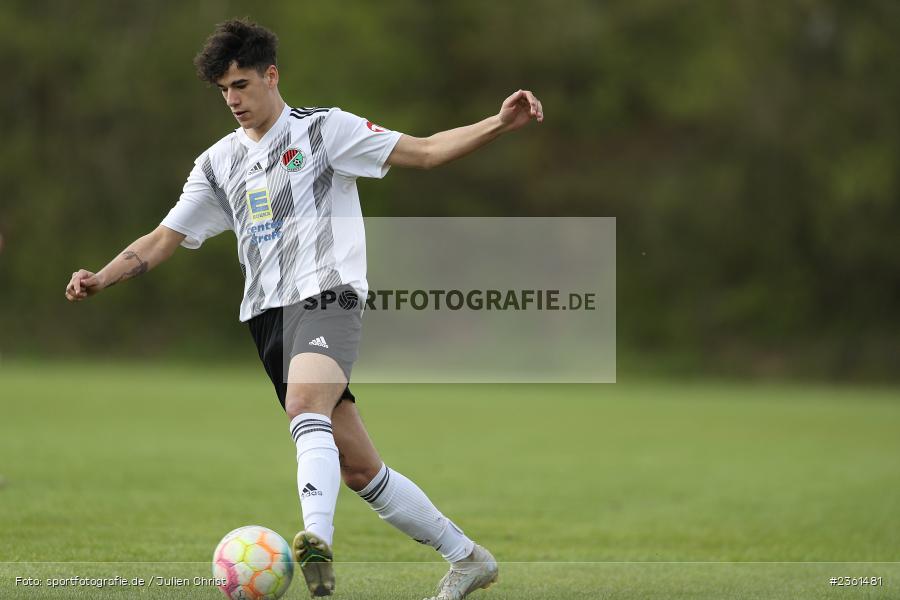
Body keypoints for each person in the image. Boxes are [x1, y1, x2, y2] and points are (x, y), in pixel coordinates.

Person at [65, 18, 543, 600]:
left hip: (328, 296)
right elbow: (164, 238)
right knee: (360, 470)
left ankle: (315, 541)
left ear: (272, 76)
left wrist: (499, 123)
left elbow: (423, 152)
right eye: (223, 91)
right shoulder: (217, 164)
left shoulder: (326, 131)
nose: (233, 100)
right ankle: (468, 560)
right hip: (266, 317)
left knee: (303, 405)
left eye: (242, 85)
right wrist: (102, 277)